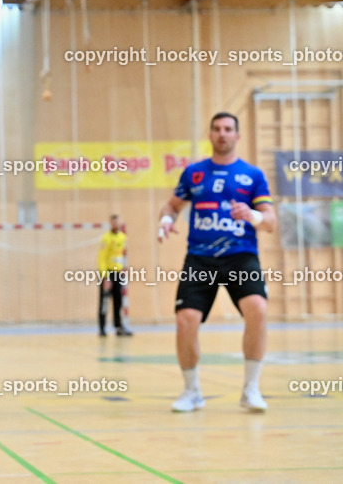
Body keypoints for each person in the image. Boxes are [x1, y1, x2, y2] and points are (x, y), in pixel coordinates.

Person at [158, 112, 276, 413]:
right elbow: (172, 206)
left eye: (228, 129)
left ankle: (251, 389)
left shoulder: (253, 175)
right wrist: (165, 221)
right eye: (217, 129)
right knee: (186, 320)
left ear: (237, 136)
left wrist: (253, 215)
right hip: (200, 258)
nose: (222, 134)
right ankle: (192, 391)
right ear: (210, 135)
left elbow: (271, 222)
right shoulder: (194, 174)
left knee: (258, 309)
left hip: (241, 255)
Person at [97, 214, 131, 337]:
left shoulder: (122, 237)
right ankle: (102, 328)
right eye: (114, 222)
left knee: (119, 301)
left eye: (118, 222)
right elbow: (102, 259)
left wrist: (123, 269)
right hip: (107, 273)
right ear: (110, 223)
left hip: (118, 273)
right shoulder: (106, 238)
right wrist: (105, 277)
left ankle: (118, 327)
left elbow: (121, 256)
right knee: (105, 302)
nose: (116, 224)